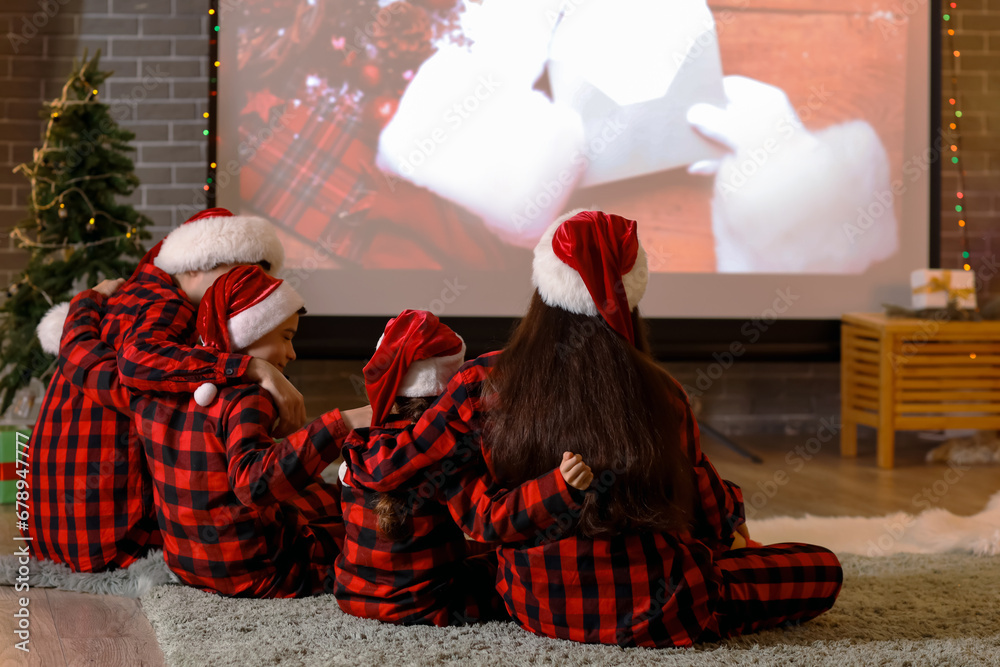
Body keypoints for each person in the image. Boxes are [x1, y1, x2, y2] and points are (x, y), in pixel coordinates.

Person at [345, 210, 843, 647]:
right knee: (822, 568)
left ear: (544, 290)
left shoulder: (479, 382)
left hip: (533, 607)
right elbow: (708, 511)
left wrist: (352, 428)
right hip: (665, 607)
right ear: (632, 295)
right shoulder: (663, 392)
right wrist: (732, 532)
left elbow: (400, 460)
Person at [27, 208, 304, 573]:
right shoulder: (168, 303)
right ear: (193, 267)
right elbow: (138, 362)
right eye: (240, 277)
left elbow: (104, 366)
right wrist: (251, 367)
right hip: (114, 535)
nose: (248, 292)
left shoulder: (133, 297)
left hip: (54, 529)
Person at [334, 309, 593, 625]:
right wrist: (558, 486)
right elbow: (490, 521)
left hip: (353, 596)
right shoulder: (450, 457)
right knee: (506, 567)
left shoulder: (358, 447)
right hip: (427, 603)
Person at [130, 265, 370, 597]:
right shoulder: (247, 397)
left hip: (185, 564)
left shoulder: (162, 394)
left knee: (322, 495)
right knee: (367, 528)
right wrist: (344, 423)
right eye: (286, 337)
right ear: (250, 331)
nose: (292, 353)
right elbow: (254, 485)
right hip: (262, 572)